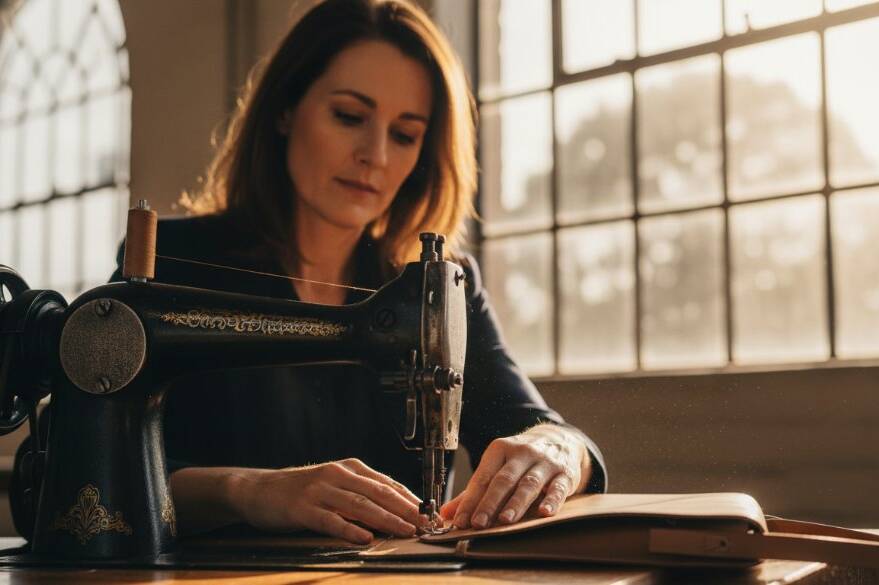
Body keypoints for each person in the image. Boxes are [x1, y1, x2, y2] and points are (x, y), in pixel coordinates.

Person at [11, 0, 606, 545]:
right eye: (349, 116)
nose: (375, 154)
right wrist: (251, 491)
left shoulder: (439, 287)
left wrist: (556, 449)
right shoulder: (170, 257)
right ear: (286, 111)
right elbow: (75, 470)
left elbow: (537, 427)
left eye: (405, 135)